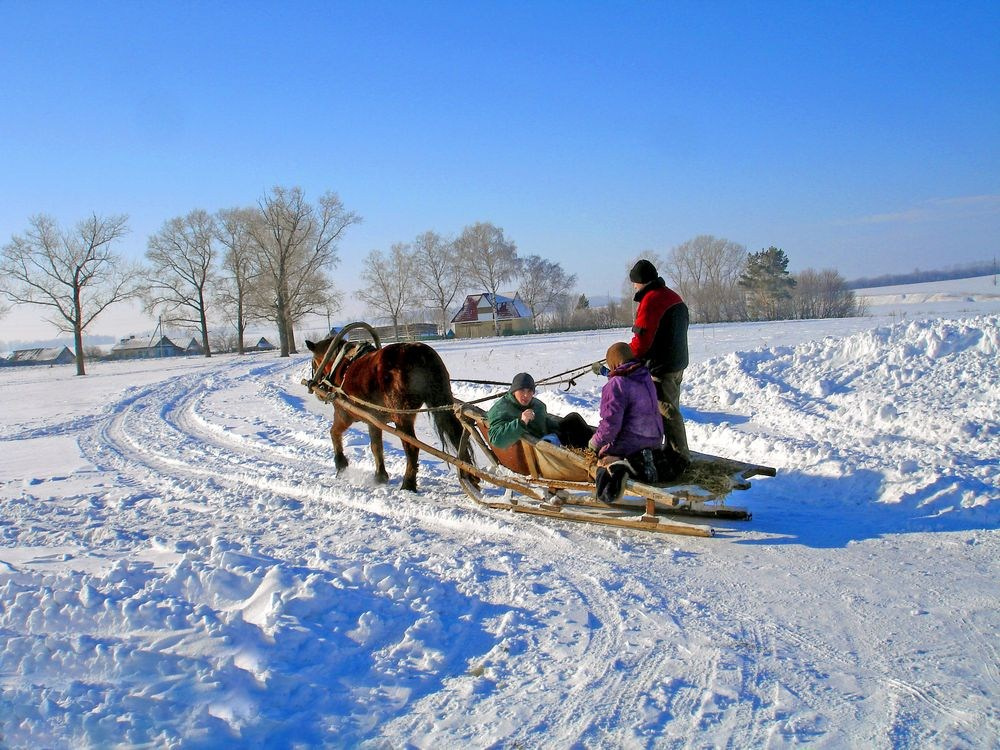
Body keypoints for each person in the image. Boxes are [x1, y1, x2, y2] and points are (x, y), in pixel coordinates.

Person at [627, 258, 691, 465]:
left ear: (641, 281)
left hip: (663, 366)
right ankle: (669, 450)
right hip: (678, 362)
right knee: (669, 407)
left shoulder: (651, 300)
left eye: (634, 282)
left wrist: (627, 359)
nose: (634, 286)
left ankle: (680, 457)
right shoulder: (673, 296)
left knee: (667, 410)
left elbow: (642, 338)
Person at [587, 342, 664, 502]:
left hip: (630, 442)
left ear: (614, 363)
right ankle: (641, 458)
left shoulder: (616, 385)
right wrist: (604, 372)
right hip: (654, 438)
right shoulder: (644, 375)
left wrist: (595, 443)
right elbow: (624, 374)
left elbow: (610, 426)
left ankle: (623, 465)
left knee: (600, 454)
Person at [488, 372, 593, 449]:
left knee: (573, 418)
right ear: (514, 390)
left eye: (529, 391)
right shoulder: (502, 409)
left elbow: (544, 422)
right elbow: (497, 440)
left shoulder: (536, 405)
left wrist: (560, 431)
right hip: (539, 449)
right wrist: (521, 422)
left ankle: (596, 449)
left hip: (549, 439)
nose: (526, 395)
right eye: (522, 390)